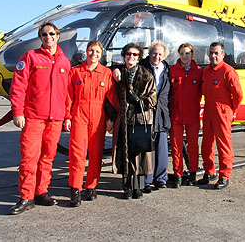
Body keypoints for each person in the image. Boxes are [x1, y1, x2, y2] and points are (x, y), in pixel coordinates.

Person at [9, 22, 71, 215]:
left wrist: (67, 115)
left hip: (55, 119)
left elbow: (67, 93)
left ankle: (41, 191)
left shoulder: (64, 61)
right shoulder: (30, 57)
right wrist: (17, 112)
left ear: (58, 35)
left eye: (52, 34)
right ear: (41, 37)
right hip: (34, 117)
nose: (48, 37)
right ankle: (26, 196)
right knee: (29, 157)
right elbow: (18, 87)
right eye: (44, 34)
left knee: (47, 157)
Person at [64, 40, 116, 207]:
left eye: (97, 52)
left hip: (98, 116)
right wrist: (68, 117)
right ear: (86, 52)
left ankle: (91, 186)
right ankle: (75, 189)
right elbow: (69, 97)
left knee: (96, 154)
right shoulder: (75, 72)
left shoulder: (106, 73)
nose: (94, 54)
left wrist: (111, 118)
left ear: (101, 55)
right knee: (77, 154)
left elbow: (112, 98)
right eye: (91, 51)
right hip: (79, 115)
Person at [112, 43, 157, 199]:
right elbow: (110, 98)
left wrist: (139, 101)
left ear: (139, 58)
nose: (131, 57)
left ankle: (138, 186)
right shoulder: (118, 74)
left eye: (135, 55)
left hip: (139, 119)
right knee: (125, 154)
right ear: (124, 55)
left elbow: (153, 98)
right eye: (128, 54)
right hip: (124, 119)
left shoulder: (147, 75)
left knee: (139, 154)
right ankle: (126, 187)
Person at [197, 42, 243, 190]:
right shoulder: (206, 72)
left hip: (223, 111)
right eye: (211, 53)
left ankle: (224, 175)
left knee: (223, 145)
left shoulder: (228, 72)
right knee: (206, 144)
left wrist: (231, 109)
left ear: (223, 55)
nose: (213, 56)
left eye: (216, 53)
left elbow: (238, 95)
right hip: (209, 110)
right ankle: (209, 172)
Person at [169, 43, 202, 187]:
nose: (184, 56)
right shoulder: (173, 70)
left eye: (187, 53)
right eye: (182, 54)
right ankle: (178, 175)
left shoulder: (199, 71)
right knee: (176, 147)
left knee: (193, 146)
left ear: (192, 55)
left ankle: (193, 173)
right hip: (176, 115)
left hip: (192, 115)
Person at [139, 41, 171, 192]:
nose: (156, 56)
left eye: (160, 54)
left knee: (162, 146)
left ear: (164, 56)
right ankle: (147, 178)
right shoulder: (142, 67)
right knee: (146, 147)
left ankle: (161, 178)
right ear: (149, 53)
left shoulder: (167, 70)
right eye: (154, 53)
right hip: (146, 112)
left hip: (162, 113)